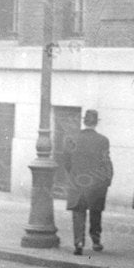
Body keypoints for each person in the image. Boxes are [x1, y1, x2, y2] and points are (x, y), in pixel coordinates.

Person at [58, 109, 114, 255]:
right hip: (96, 182)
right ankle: (96, 241)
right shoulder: (103, 140)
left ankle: (79, 243)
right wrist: (106, 179)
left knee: (78, 212)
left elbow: (66, 161)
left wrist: (74, 174)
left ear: (84, 121)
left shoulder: (72, 138)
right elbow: (105, 161)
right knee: (96, 212)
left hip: (77, 181)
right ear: (96, 122)